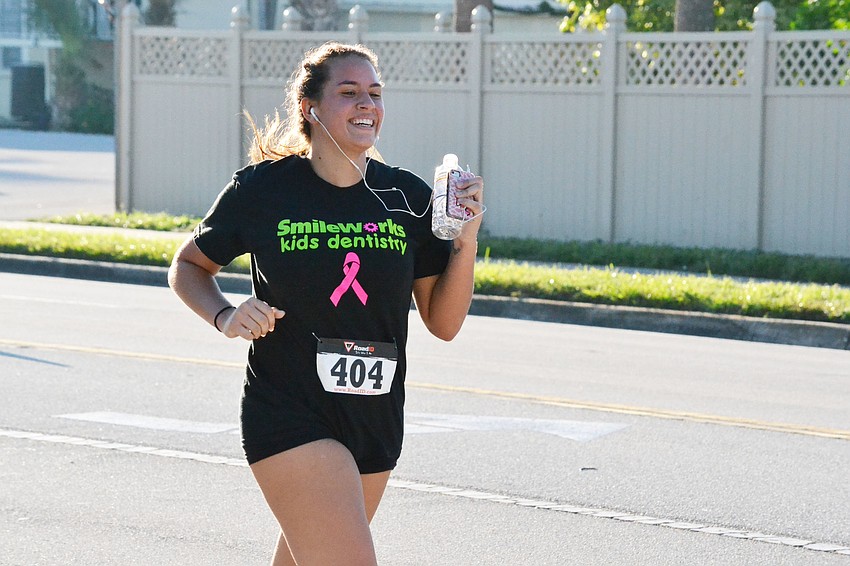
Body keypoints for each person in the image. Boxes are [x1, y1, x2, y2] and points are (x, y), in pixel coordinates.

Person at [168, 41, 484, 565]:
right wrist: (225, 314)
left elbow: (443, 324)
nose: (367, 104)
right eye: (350, 92)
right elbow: (188, 266)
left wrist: (466, 242)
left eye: (375, 94)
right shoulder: (264, 190)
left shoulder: (408, 197)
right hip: (289, 410)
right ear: (310, 108)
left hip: (375, 417)